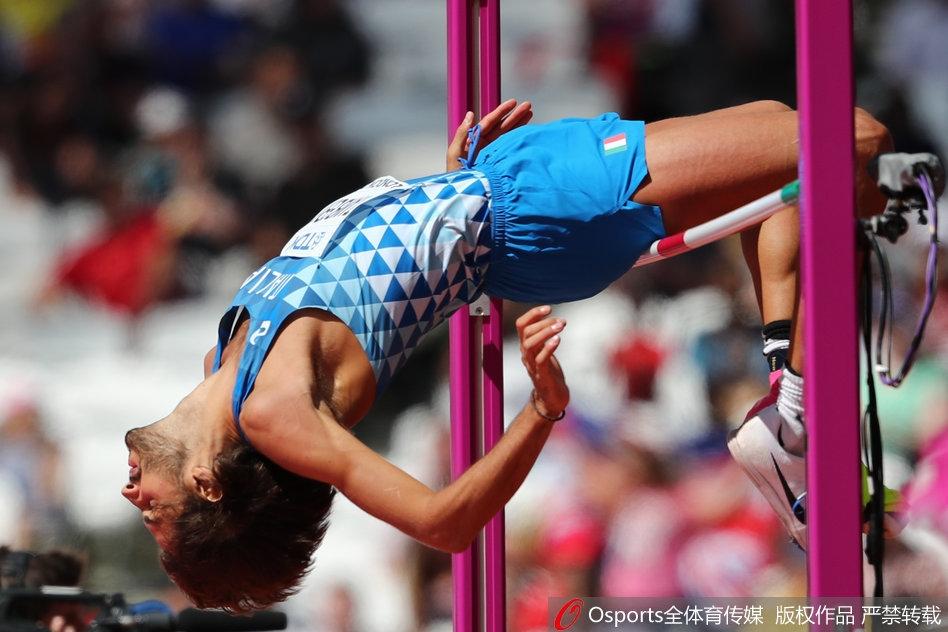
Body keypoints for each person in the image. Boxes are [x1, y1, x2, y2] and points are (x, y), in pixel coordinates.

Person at [122, 99, 899, 612]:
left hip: (499, 184)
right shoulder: (273, 412)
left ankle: (787, 400)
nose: (131, 495)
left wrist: (448, 188)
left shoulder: (225, 358)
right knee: (851, 138)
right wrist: (541, 409)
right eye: (155, 514)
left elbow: (379, 267)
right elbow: (441, 523)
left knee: (792, 147)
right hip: (547, 208)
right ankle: (791, 416)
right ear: (207, 485)